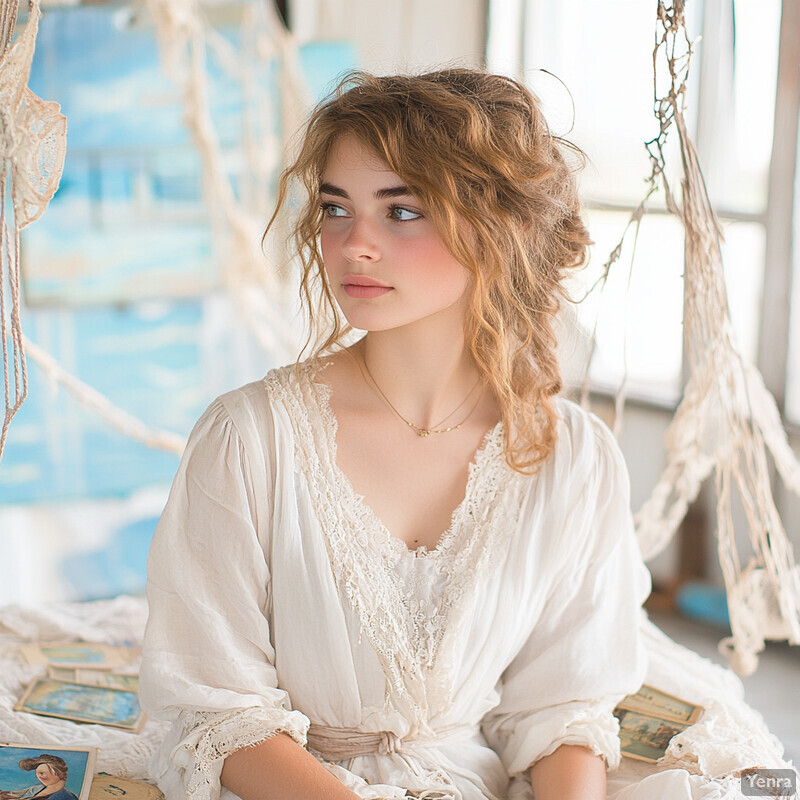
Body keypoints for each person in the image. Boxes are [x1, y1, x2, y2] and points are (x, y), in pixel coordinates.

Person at [139, 69, 789, 800]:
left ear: (499, 225)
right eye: (335, 207)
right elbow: (217, 713)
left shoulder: (569, 458)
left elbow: (562, 707)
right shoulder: (249, 439)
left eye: (403, 211)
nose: (354, 244)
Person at [0, 755, 79, 800]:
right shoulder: (38, 789)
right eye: (38, 774)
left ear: (58, 773)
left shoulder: (63, 796)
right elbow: (18, 795)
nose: (39, 777)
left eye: (42, 773)